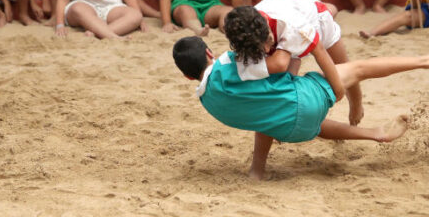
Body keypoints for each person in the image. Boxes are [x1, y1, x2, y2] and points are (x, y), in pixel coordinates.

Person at [173, 36, 426, 180]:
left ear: (187, 77)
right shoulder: (227, 62)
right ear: (209, 52)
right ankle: (421, 61)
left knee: (266, 112)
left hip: (294, 131)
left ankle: (257, 170)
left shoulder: (206, 101)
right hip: (305, 101)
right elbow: (280, 64)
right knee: (357, 69)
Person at [236, 0, 362, 124]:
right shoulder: (247, 26)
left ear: (267, 23)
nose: (267, 50)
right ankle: (284, 115)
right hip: (289, 13)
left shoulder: (293, 25)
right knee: (285, 81)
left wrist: (338, 90)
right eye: (261, 47)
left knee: (344, 64)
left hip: (317, 21)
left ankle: (356, 104)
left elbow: (319, 52)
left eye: (268, 40)